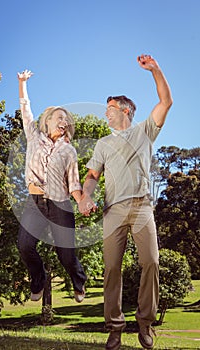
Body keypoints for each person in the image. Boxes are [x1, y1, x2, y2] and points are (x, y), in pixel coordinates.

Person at [78, 54, 173, 350]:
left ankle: (145, 323)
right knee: (111, 269)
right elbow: (92, 174)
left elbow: (165, 101)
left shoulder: (145, 131)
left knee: (151, 262)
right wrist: (86, 196)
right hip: (113, 211)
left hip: (143, 207)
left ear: (126, 110)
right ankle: (115, 327)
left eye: (110, 108)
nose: (106, 113)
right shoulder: (103, 143)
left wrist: (155, 69)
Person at [17, 69, 86, 303]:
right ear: (47, 121)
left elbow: (74, 183)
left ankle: (79, 281)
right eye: (59, 117)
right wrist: (22, 83)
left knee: (66, 255)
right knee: (25, 246)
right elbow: (26, 110)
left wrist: (82, 201)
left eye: (66, 119)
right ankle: (39, 280)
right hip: (35, 202)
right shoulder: (34, 137)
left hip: (60, 204)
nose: (63, 121)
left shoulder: (69, 150)